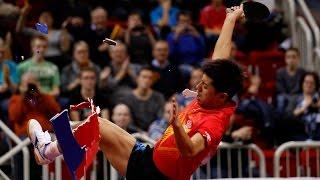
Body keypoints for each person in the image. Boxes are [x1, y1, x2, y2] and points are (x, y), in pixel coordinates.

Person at [27, 6, 244, 180]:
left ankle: (48, 151)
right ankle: (51, 148)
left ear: (222, 96)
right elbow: (220, 57)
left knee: (96, 126)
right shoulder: (213, 92)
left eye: (205, 86)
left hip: (158, 175)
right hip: (149, 157)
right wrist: (231, 19)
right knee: (96, 125)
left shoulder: (215, 122)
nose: (198, 88)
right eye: (201, 82)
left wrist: (177, 127)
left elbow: (190, 150)